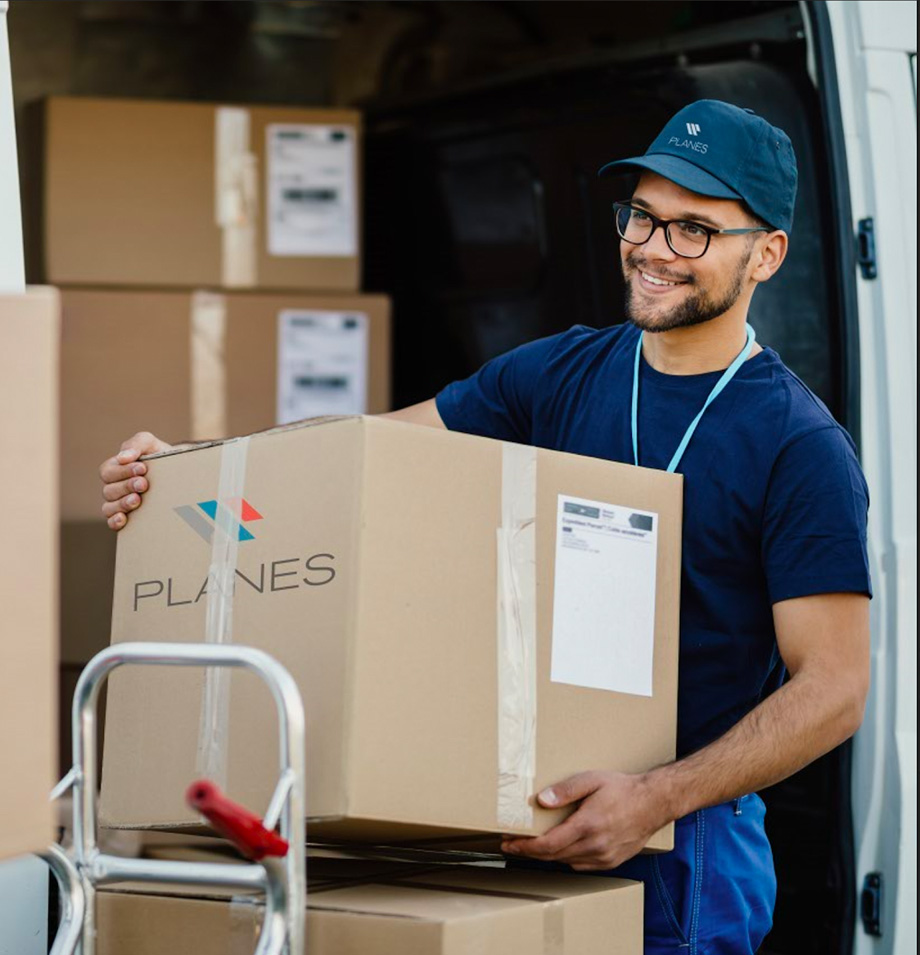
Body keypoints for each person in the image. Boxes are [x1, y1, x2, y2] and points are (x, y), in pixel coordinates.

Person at [99, 100, 871, 954]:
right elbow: (365, 451)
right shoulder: (561, 369)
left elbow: (833, 688)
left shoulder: (799, 446)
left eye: (694, 230)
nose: (654, 248)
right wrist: (188, 469)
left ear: (766, 253)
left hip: (682, 846)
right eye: (643, 216)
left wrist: (658, 796)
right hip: (522, 815)